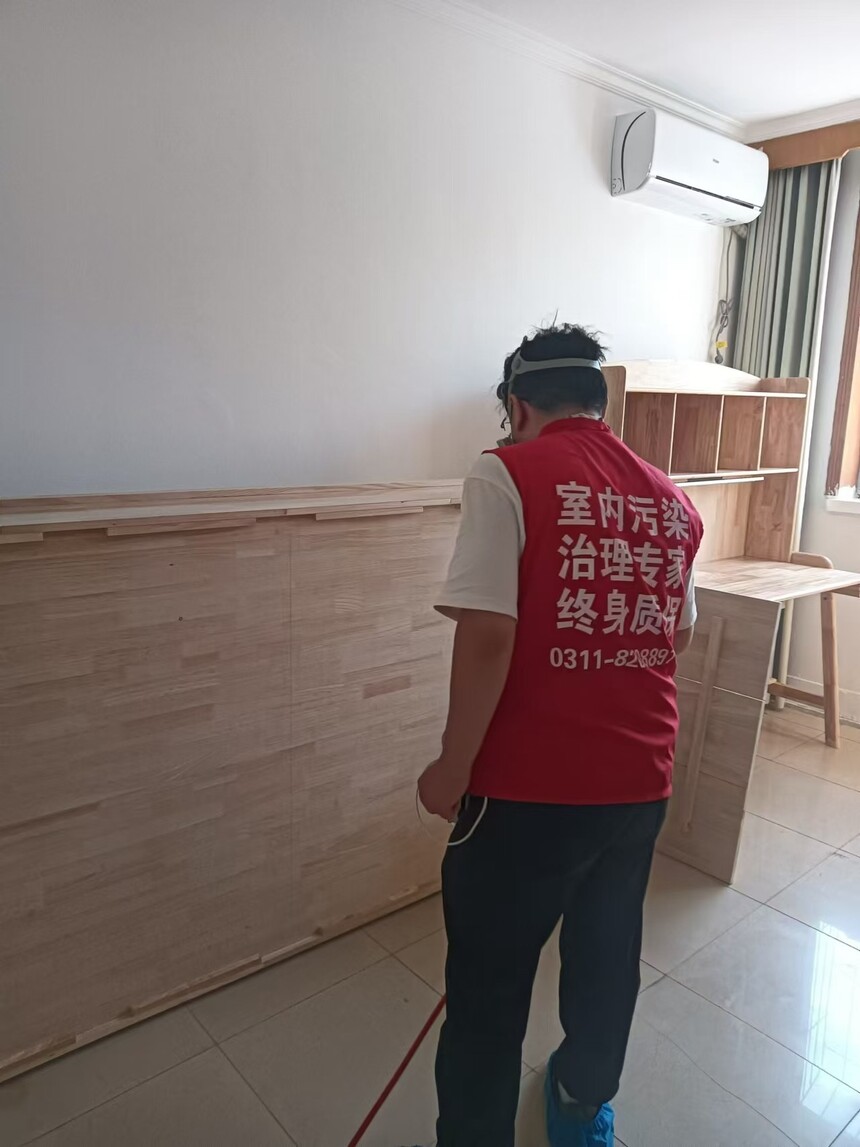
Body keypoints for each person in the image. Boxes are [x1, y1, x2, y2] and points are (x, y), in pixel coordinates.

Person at [415, 324, 703, 1147]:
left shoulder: (505, 471)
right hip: (639, 784)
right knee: (607, 957)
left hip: (525, 795)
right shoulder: (670, 497)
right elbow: (676, 634)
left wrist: (451, 767)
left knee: (489, 986)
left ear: (517, 405)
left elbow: (488, 635)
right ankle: (580, 1105)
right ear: (598, 403)